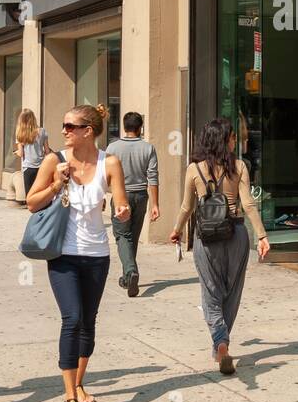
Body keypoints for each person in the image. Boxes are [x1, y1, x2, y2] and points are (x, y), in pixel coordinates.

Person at [27, 104, 130, 402]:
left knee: (89, 320)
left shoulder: (109, 162)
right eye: (64, 126)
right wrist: (57, 184)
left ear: (88, 131)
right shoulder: (53, 161)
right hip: (63, 253)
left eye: (70, 126)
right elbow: (31, 202)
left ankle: (80, 381)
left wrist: (123, 210)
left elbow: (120, 201)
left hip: (97, 254)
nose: (64, 131)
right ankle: (70, 397)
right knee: (71, 319)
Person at [169, 118, 271, 375]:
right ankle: (222, 342)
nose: (236, 140)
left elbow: (187, 207)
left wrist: (177, 230)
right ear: (224, 140)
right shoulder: (239, 166)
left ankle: (220, 343)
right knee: (232, 291)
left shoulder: (194, 169)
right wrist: (261, 235)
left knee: (211, 292)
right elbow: (248, 204)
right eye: (233, 137)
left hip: (207, 237)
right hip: (236, 233)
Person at [106, 111, 159, 297]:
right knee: (132, 237)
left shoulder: (112, 148)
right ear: (140, 128)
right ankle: (128, 275)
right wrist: (155, 204)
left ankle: (130, 272)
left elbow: (105, 175)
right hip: (141, 197)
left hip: (121, 196)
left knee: (122, 235)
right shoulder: (148, 148)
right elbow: (152, 177)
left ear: (124, 126)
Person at [14, 108, 48, 199]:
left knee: (30, 196)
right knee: (41, 194)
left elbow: (21, 154)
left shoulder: (20, 134)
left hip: (28, 168)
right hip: (41, 167)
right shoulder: (42, 131)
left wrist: (16, 152)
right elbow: (47, 151)